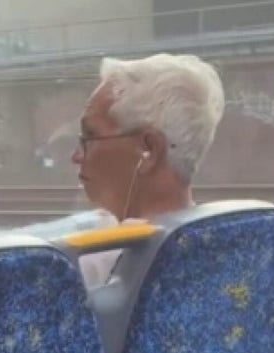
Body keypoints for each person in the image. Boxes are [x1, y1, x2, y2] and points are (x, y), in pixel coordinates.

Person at [71, 52, 225, 288]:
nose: (76, 156)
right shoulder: (223, 247)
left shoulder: (97, 270)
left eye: (90, 136)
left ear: (148, 150)